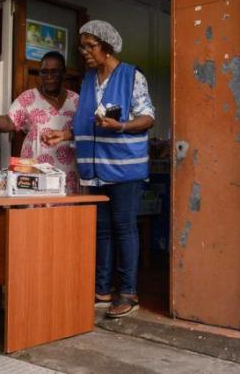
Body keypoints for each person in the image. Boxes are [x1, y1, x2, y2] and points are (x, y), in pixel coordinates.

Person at [44, 20, 155, 318]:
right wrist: (64, 135)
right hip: (93, 168)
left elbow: (147, 118)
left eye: (90, 46)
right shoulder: (88, 79)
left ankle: (128, 293)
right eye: (83, 47)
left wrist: (120, 125)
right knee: (102, 229)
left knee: (124, 227)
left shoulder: (132, 76)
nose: (85, 53)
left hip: (124, 169)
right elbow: (86, 122)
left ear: (107, 47)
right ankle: (102, 289)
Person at [0, 51, 80, 194]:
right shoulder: (28, 98)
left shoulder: (76, 100)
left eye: (54, 72)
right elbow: (7, 123)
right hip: (35, 173)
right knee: (35, 214)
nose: (49, 77)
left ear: (63, 73)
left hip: (68, 173)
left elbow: (85, 131)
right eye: (44, 72)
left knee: (64, 214)